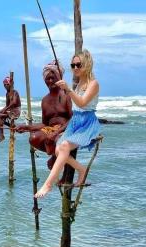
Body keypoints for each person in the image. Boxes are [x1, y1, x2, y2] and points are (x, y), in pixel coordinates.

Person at [35, 49, 101, 198]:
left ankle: (47, 184)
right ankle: (82, 170)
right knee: (58, 150)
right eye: (73, 65)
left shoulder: (93, 84)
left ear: (87, 64)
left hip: (87, 122)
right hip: (75, 122)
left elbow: (83, 103)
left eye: (79, 64)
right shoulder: (78, 84)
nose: (76, 68)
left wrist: (68, 90)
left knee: (64, 146)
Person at [16, 61, 72, 169]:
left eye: (53, 77)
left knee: (56, 140)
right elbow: (44, 124)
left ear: (59, 77)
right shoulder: (45, 100)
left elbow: (74, 119)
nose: (50, 81)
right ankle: (54, 155)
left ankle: (55, 157)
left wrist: (57, 132)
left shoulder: (67, 94)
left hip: (66, 130)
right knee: (33, 138)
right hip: (51, 131)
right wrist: (26, 127)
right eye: (47, 78)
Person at [0, 76, 21, 142]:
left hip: (16, 111)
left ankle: (2, 135)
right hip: (10, 111)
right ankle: (11, 126)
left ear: (10, 84)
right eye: (4, 85)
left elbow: (14, 103)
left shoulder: (14, 92)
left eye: (7, 84)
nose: (5, 86)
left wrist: (4, 111)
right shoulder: (7, 94)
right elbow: (7, 106)